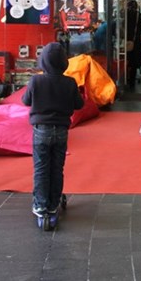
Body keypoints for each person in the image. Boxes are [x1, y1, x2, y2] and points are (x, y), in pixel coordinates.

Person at [22, 43, 83, 223]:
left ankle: (40, 204)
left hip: (40, 129)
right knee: (57, 167)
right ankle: (53, 202)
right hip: (62, 130)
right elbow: (79, 104)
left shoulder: (36, 81)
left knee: (41, 168)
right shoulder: (70, 82)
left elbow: (26, 101)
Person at [124, 0, 141, 91]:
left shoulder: (124, 14)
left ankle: (125, 79)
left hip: (124, 40)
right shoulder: (138, 15)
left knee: (125, 60)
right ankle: (132, 81)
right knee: (134, 62)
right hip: (135, 41)